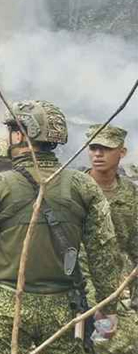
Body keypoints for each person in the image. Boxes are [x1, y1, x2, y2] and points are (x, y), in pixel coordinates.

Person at [0, 100, 120, 354]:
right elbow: (104, 252)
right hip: (65, 307)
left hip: (7, 305)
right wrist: (108, 306)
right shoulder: (84, 185)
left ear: (20, 135)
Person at [83, 125, 138, 354]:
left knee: (120, 344)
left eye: (105, 148)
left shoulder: (131, 195)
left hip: (114, 289)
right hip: (74, 285)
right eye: (94, 148)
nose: (97, 154)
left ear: (121, 153)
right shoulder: (75, 189)